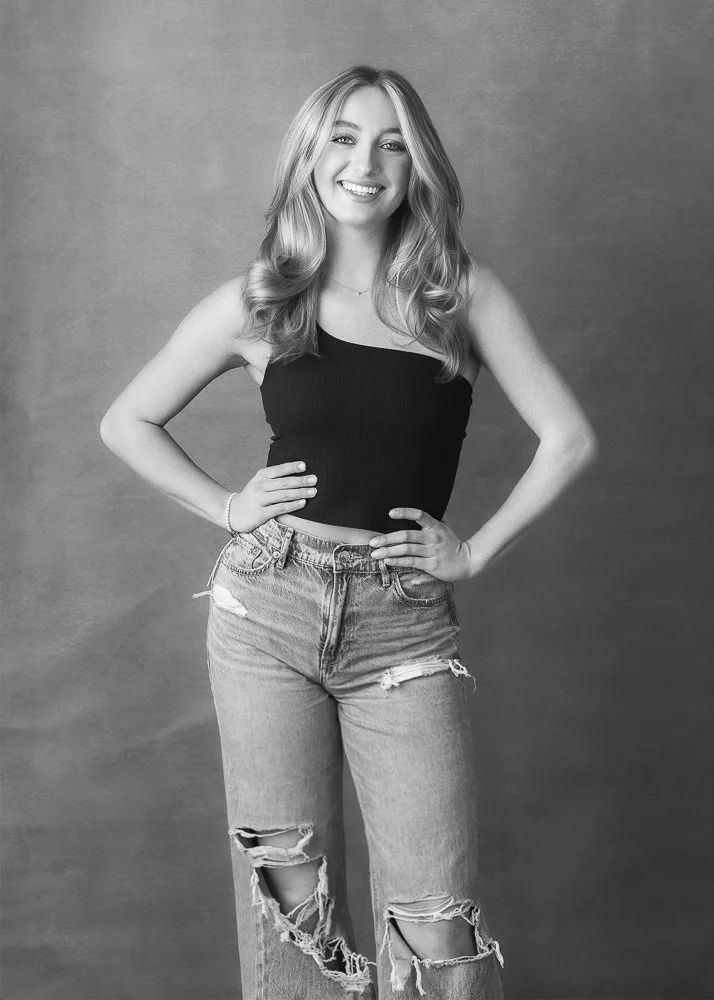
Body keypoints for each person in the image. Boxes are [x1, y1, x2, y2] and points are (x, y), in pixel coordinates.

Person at [100, 64, 598, 1000]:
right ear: (309, 157)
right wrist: (226, 507)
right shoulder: (265, 298)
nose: (363, 163)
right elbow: (125, 420)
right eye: (342, 138)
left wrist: (475, 550)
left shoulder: (458, 294)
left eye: (391, 142)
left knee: (437, 920)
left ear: (417, 168)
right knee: (295, 913)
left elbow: (570, 439)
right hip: (266, 610)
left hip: (404, 626)